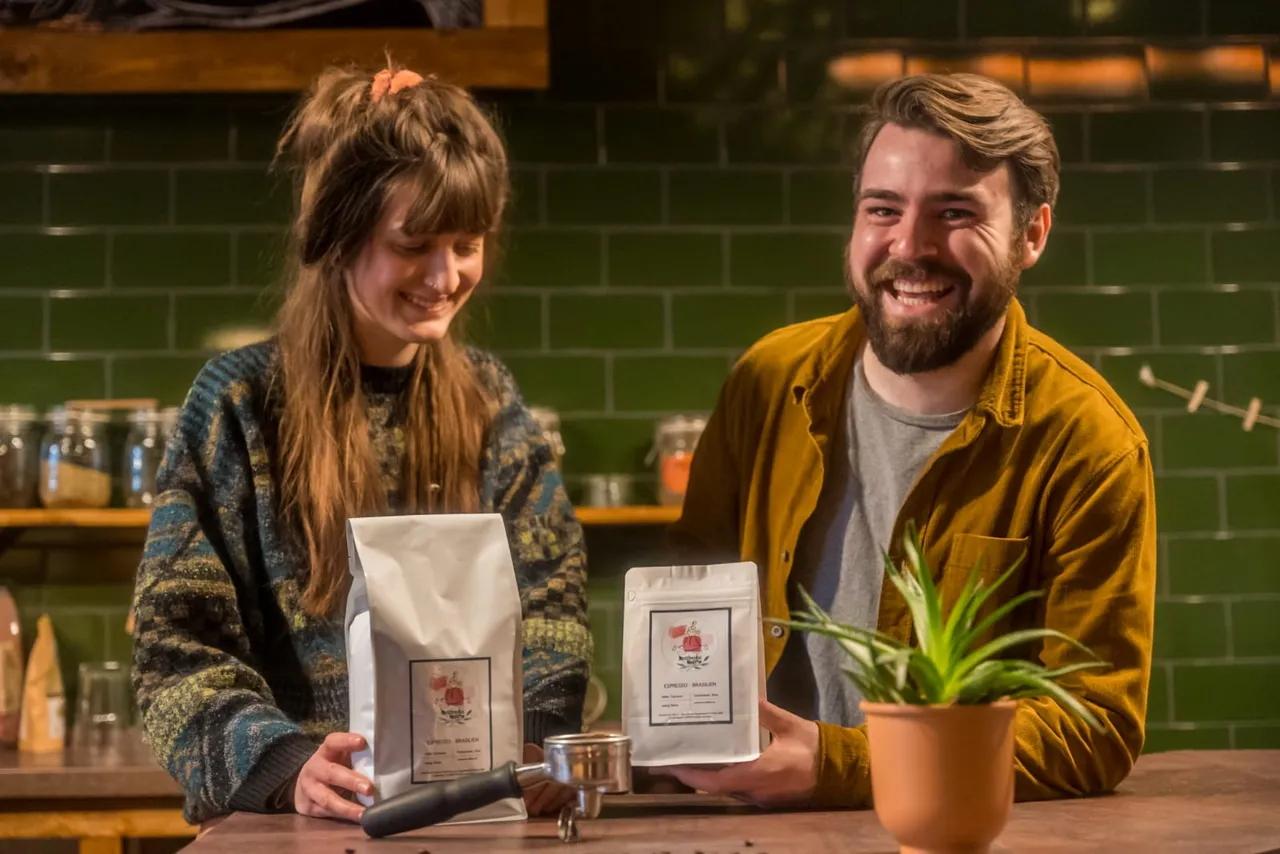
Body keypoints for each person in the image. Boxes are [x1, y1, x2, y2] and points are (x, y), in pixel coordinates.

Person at [663, 72, 1156, 808]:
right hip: (747, 824)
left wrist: (845, 763)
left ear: (1032, 234)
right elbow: (686, 604)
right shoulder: (767, 382)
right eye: (882, 209)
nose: (910, 245)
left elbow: (1094, 727)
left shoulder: (1089, 443)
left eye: (954, 212)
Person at [130, 63, 591, 825]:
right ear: (337, 238)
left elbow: (551, 605)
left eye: (468, 243)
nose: (446, 276)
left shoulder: (488, 400)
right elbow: (175, 653)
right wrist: (285, 766)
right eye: (415, 244)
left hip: (476, 814)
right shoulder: (239, 405)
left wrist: (539, 746)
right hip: (294, 827)